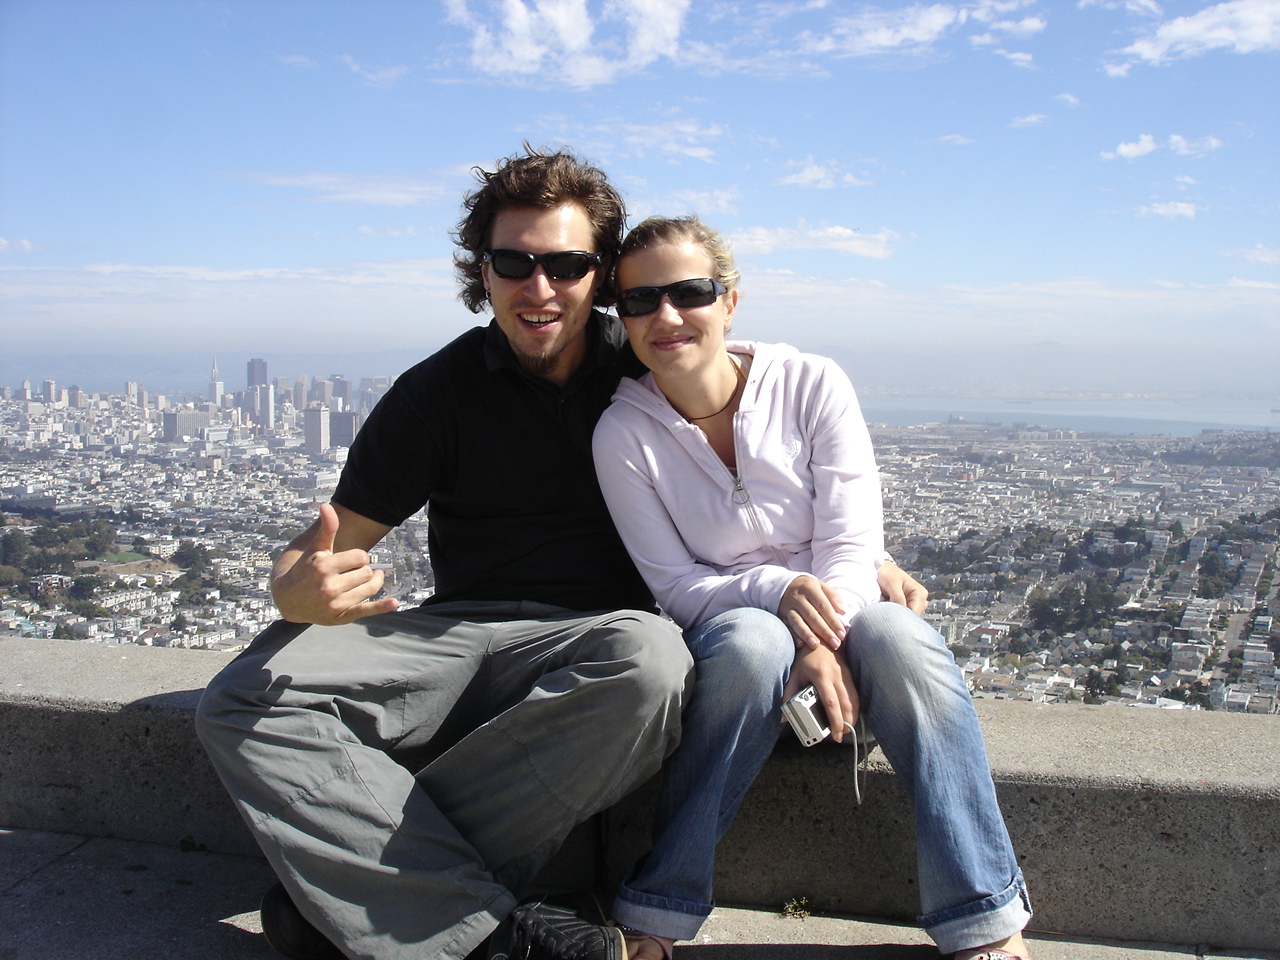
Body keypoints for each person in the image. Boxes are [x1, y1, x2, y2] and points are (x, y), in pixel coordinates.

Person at [195, 147, 699, 960]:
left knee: (651, 662)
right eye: (515, 263)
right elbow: (316, 550)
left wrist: (859, 565)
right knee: (241, 698)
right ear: (485, 272)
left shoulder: (645, 365)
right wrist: (300, 594)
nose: (539, 289)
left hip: (597, 640)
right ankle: (496, 936)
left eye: (566, 265)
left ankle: (350, 910)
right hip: (456, 637)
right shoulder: (438, 391)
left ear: (600, 274)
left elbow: (768, 467)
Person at [591, 216, 1034, 960]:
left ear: (730, 301)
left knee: (899, 637)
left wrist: (818, 632)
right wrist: (781, 599)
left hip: (849, 601)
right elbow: (677, 587)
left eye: (689, 292)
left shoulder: (811, 383)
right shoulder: (622, 436)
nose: (665, 316)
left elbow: (854, 541)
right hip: (735, 629)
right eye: (639, 301)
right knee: (752, 642)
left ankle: (985, 923)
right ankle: (658, 909)